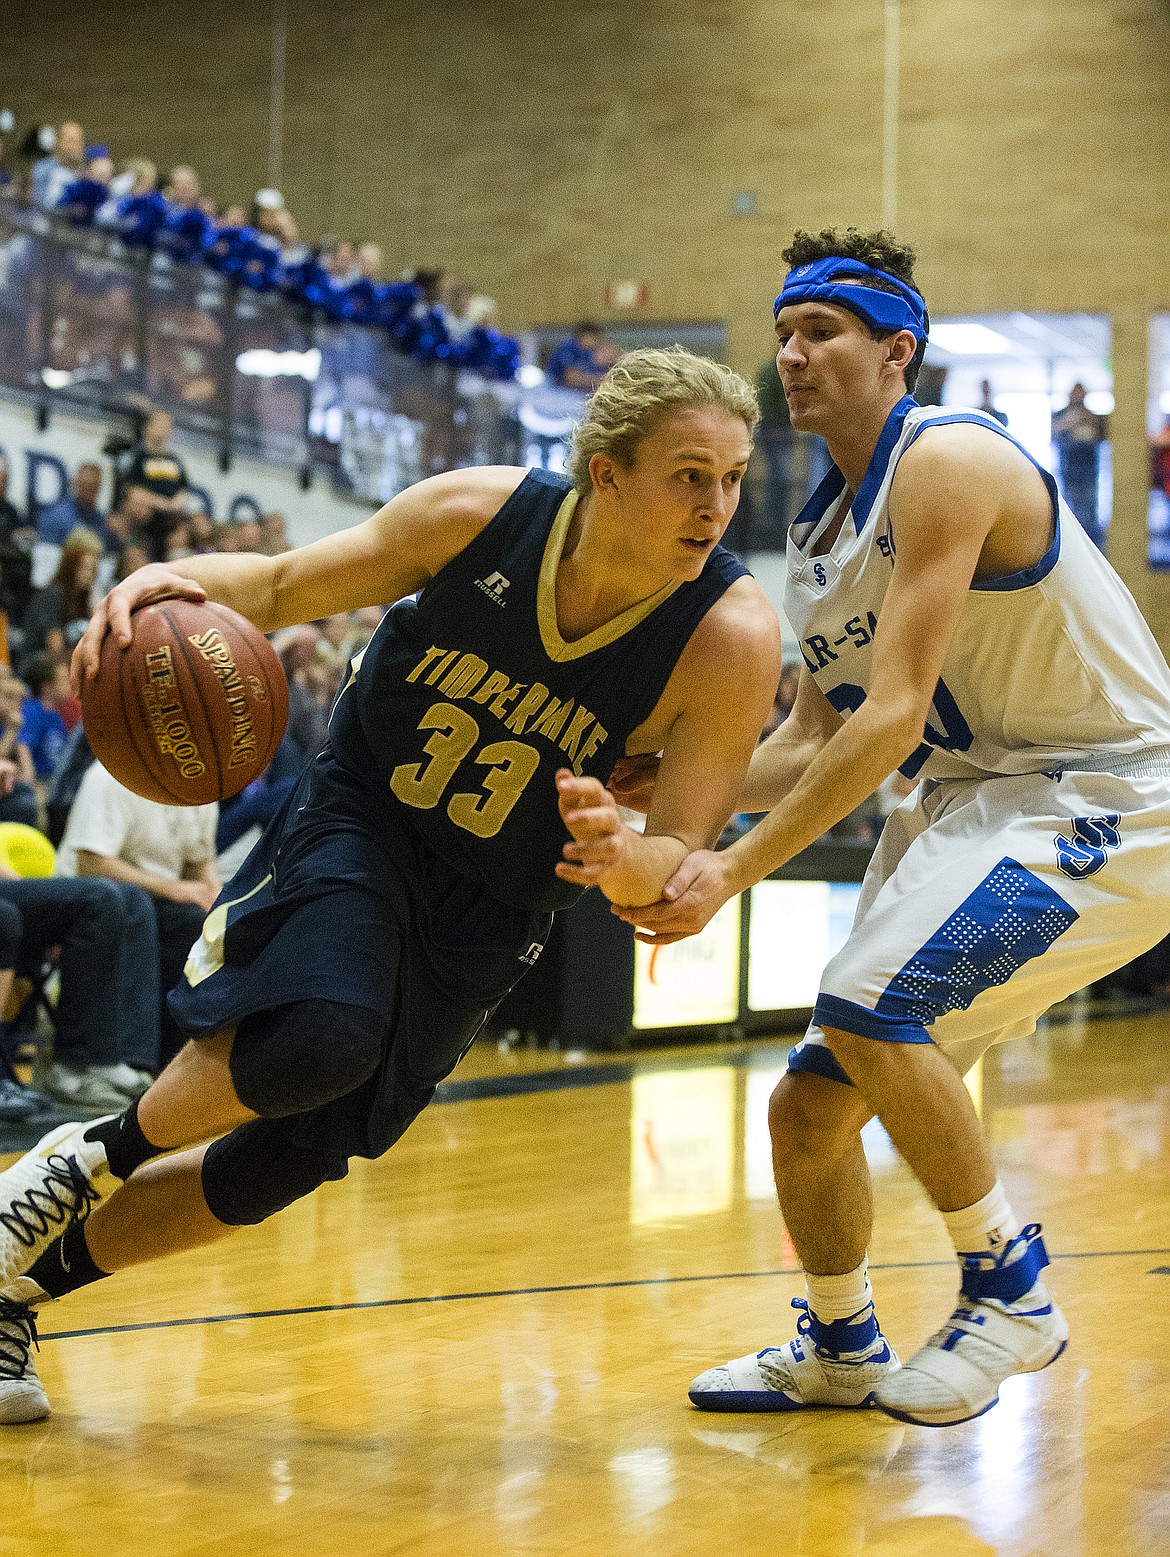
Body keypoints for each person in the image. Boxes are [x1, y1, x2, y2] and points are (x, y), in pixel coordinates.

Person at [0, 346, 780, 1424]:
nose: (718, 505)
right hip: (364, 813)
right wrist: (154, 587)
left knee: (289, 1159)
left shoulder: (730, 637)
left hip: (499, 901)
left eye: (734, 478)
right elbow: (277, 587)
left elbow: (681, 846)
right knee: (322, 1033)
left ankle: (16, 1288)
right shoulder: (480, 515)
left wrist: (620, 848)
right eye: (691, 474)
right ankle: (85, 1159)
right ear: (606, 471)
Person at [609, 229, 1170, 1429]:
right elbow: (815, 741)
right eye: (783, 333)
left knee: (879, 1006)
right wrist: (649, 794)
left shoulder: (950, 459)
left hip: (1110, 793)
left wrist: (729, 868)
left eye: (822, 333)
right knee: (806, 1109)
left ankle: (1010, 1291)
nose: (792, 355)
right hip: (975, 800)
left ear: (895, 350)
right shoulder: (818, 539)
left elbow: (897, 715)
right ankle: (839, 1343)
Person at [56, 760, 219, 1067]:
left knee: (198, 923)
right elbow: (90, 864)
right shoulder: (112, 774)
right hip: (91, 901)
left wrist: (220, 907)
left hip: (156, 902)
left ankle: (175, 1063)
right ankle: (130, 1061)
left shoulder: (205, 782)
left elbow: (201, 861)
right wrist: (172, 888)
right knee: (138, 904)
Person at [115, 411, 191, 563]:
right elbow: (132, 491)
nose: (164, 429)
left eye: (167, 426)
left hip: (169, 517)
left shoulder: (174, 460)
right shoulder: (137, 456)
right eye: (159, 425)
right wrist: (163, 504)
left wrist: (175, 504)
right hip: (147, 515)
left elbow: (184, 490)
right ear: (147, 427)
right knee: (139, 511)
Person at [1051, 382, 1109, 546]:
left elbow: (1104, 435)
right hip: (1068, 475)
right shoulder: (1061, 416)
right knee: (1068, 517)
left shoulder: (1092, 416)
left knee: (1089, 518)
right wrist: (1070, 422)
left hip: (1089, 475)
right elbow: (1053, 435)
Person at [546, 323, 620, 391]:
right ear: (585, 336)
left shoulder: (589, 351)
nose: (596, 343)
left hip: (577, 391)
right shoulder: (568, 348)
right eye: (594, 339)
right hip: (556, 390)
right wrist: (602, 380)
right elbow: (571, 379)